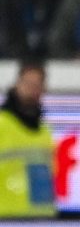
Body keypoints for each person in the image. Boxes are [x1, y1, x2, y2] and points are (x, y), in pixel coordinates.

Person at [0, 59, 55, 217]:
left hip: (39, 217)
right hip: (6, 216)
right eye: (28, 83)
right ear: (17, 84)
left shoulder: (44, 129)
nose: (32, 89)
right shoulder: (2, 123)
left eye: (37, 85)